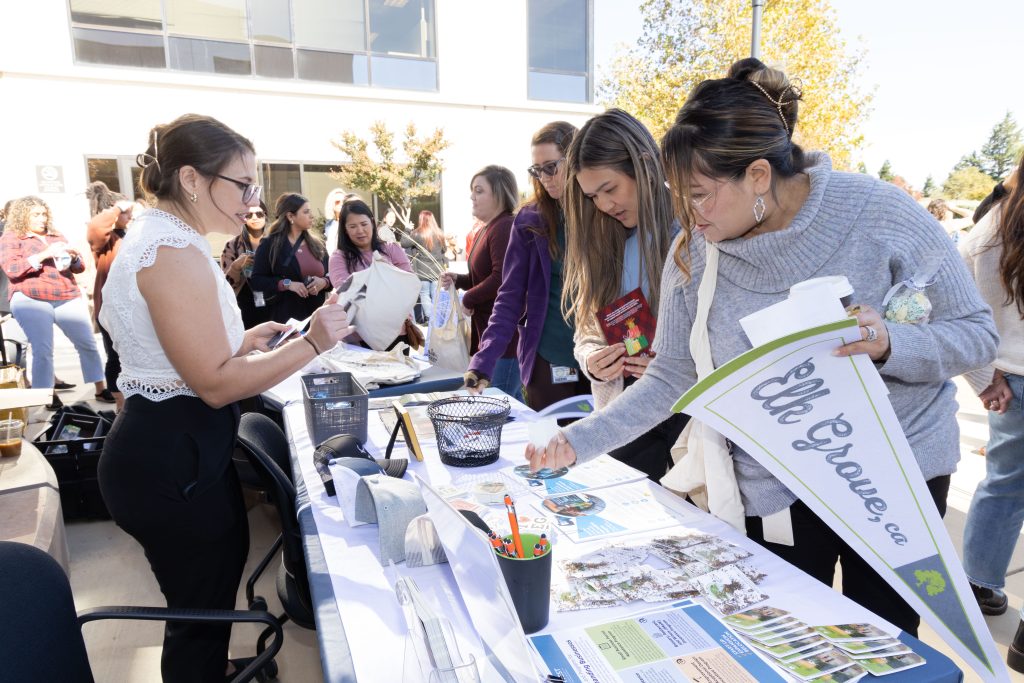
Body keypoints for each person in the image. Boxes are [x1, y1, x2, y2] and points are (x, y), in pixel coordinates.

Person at [527, 59, 997, 636]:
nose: (686, 214)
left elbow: (975, 334)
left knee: (885, 645)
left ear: (756, 175)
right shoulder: (695, 251)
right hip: (775, 490)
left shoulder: (879, 214)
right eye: (678, 195)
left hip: (892, 481)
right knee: (788, 640)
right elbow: (673, 374)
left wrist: (889, 342)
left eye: (698, 194)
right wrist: (577, 441)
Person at [97, 114, 351, 683]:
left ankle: (208, 668)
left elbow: (178, 356)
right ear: (192, 178)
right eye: (242, 185)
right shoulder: (171, 251)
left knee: (203, 600)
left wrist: (241, 341)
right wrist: (311, 341)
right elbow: (212, 382)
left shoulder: (160, 239)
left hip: (169, 446)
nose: (251, 201)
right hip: (171, 459)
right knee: (199, 608)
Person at [527, 109, 685, 479]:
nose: (604, 205)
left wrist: (678, 364)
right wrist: (592, 358)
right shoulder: (600, 237)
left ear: (645, 166)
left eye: (610, 189)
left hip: (689, 415)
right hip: (623, 408)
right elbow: (587, 331)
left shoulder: (696, 230)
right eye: (592, 196)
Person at [463, 121, 591, 411]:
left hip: (602, 355)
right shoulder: (530, 219)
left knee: (602, 449)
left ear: (575, 159)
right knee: (552, 446)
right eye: (537, 170)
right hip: (549, 353)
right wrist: (484, 360)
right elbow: (509, 295)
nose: (544, 177)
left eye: (551, 167)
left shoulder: (601, 210)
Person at [959, 154, 1024, 671]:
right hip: (1011, 375)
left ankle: (979, 583)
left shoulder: (994, 226)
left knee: (1003, 483)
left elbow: (958, 299)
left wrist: (986, 374)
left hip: (1012, 374)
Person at [0, 196, 112, 401]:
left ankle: (100, 388)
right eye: (36, 214)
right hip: (30, 297)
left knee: (87, 343)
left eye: (44, 214)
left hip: (65, 294)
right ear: (22, 215)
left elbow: (78, 268)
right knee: (43, 349)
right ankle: (46, 396)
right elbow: (12, 269)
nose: (42, 218)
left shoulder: (55, 235)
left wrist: (75, 258)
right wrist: (44, 254)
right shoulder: (12, 237)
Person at [440, 166, 522, 400]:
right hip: (493, 336)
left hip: (503, 340)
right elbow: (484, 276)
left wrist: (470, 297)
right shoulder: (489, 228)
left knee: (498, 405)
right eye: (472, 191)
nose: (472, 197)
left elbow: (502, 278)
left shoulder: (504, 226)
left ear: (498, 193)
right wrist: (461, 280)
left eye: (479, 191)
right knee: (513, 405)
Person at [328, 199, 423, 349]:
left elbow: (410, 284)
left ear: (372, 222)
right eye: (353, 226)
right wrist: (379, 278)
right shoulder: (339, 257)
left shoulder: (391, 249)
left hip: (397, 332)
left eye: (364, 224)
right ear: (345, 229)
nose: (360, 230)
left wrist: (388, 272)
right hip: (359, 338)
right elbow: (347, 294)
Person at [86, 181, 133, 410]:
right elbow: (95, 228)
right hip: (111, 308)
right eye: (126, 211)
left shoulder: (130, 232)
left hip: (135, 306)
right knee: (115, 356)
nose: (130, 213)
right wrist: (117, 209)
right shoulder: (106, 239)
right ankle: (120, 404)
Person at [249, 193, 331, 325]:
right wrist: (287, 284)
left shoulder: (317, 244)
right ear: (290, 216)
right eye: (306, 212)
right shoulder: (270, 244)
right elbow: (257, 280)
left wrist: (324, 282)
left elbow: (331, 275)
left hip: (317, 319)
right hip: (287, 321)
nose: (311, 216)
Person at [221, 200, 271, 329]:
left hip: (274, 299)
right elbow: (226, 286)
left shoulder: (277, 242)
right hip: (245, 303)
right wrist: (236, 267)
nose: (255, 218)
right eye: (249, 215)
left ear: (266, 216)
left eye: (259, 214)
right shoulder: (232, 245)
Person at [399, 209, 447, 323]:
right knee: (436, 294)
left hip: (422, 270)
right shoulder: (439, 233)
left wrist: (407, 229)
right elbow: (444, 250)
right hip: (437, 269)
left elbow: (404, 243)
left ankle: (430, 318)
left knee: (424, 294)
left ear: (421, 219)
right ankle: (438, 319)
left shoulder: (417, 233)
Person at [323, 188, 359, 256]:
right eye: (337, 202)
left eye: (343, 201)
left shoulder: (353, 221)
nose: (341, 204)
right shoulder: (329, 225)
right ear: (332, 205)